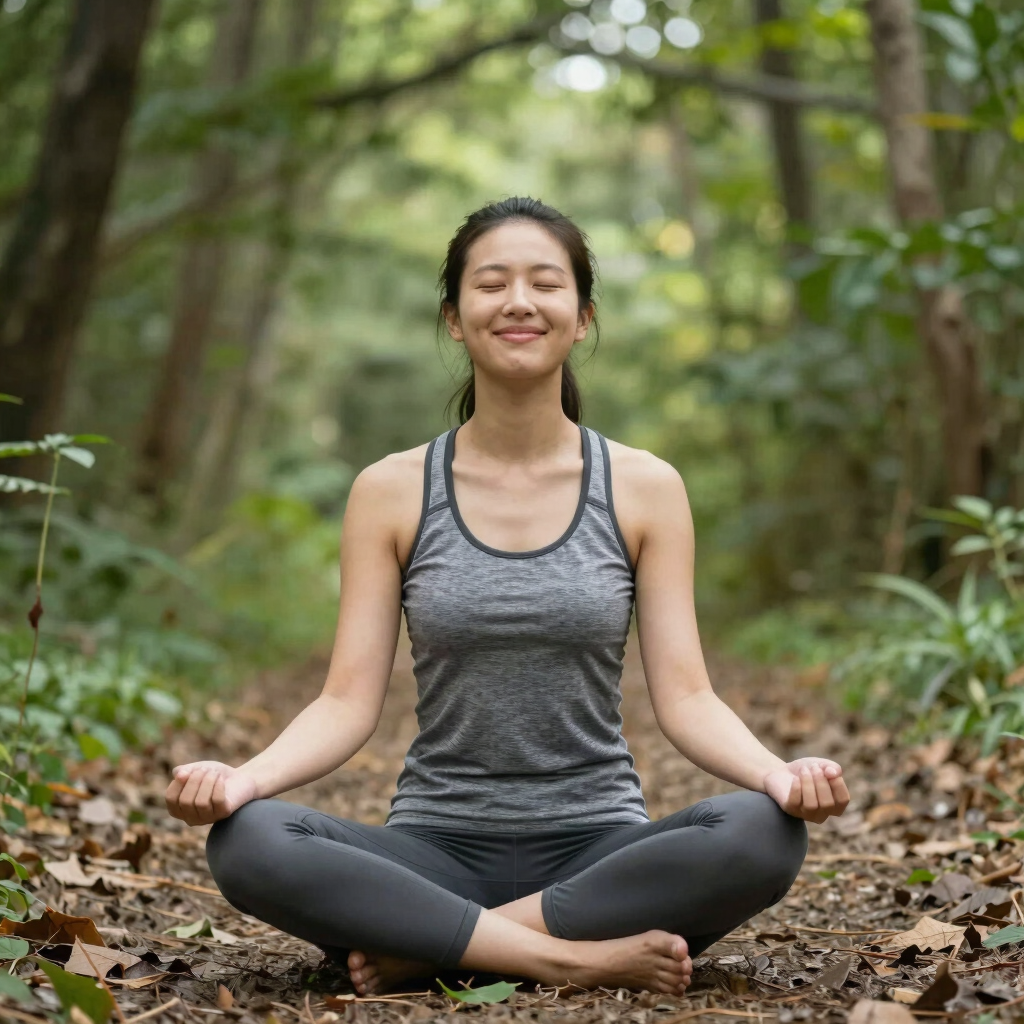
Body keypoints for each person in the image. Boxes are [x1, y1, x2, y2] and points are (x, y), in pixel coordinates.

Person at [165, 197, 849, 998]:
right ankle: (566, 957)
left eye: (545, 283)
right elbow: (346, 702)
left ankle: (436, 948)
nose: (519, 301)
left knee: (762, 833)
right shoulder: (389, 491)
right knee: (248, 841)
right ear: (455, 318)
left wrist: (778, 775)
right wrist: (244, 779)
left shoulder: (644, 487)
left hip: (599, 853)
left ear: (582, 317)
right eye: (492, 284)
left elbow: (688, 696)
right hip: (432, 850)